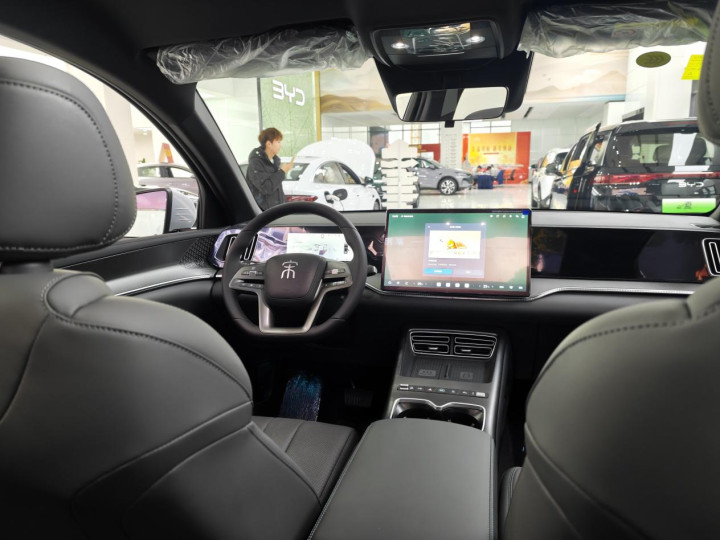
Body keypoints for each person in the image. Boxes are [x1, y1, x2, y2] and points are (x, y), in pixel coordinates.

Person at [247, 127, 295, 210]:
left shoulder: (275, 162)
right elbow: (266, 188)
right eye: (278, 142)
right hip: (262, 213)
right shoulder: (256, 163)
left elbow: (277, 189)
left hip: (276, 211)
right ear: (269, 144)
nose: (280, 145)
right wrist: (282, 172)